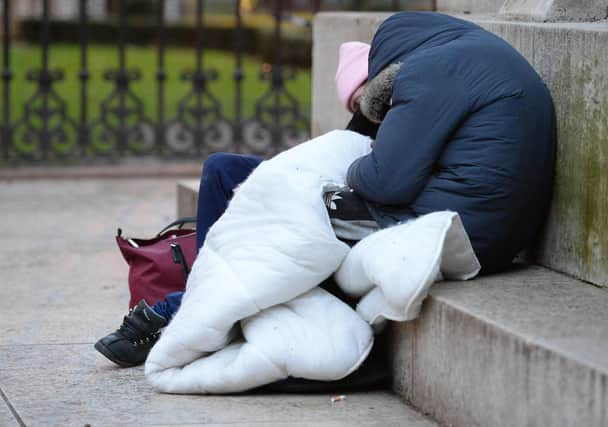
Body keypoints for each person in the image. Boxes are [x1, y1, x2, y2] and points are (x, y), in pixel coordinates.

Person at [95, 41, 378, 368]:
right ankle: (202, 291)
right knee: (221, 167)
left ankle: (189, 308)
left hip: (350, 209)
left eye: (364, 94)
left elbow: (388, 180)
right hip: (328, 188)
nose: (361, 104)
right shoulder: (381, 116)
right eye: (356, 101)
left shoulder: (411, 109)